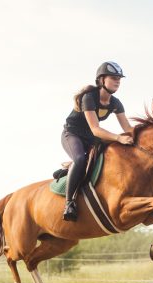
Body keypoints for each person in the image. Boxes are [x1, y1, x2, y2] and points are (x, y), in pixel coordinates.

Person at [61, 61, 134, 221]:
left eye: (119, 79)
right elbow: (96, 129)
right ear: (101, 80)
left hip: (90, 137)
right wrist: (118, 137)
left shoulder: (115, 103)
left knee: (112, 151)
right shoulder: (89, 97)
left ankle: (73, 165)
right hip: (72, 134)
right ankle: (69, 203)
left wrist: (143, 135)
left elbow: (127, 127)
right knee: (80, 158)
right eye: (114, 78)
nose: (117, 81)